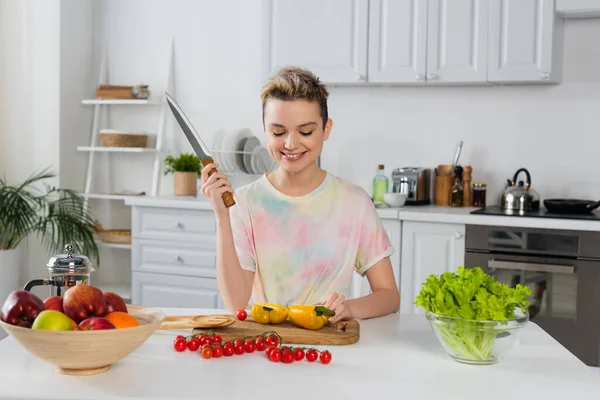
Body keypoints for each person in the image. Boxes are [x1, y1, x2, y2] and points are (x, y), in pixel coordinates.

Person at [200, 66, 400, 323]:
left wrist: (349, 308)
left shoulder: (354, 202)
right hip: (267, 347)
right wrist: (221, 217)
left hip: (330, 348)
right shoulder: (244, 202)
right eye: (278, 132)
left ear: (326, 129)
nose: (291, 144)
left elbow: (389, 296)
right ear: (265, 129)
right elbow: (236, 302)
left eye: (305, 132)